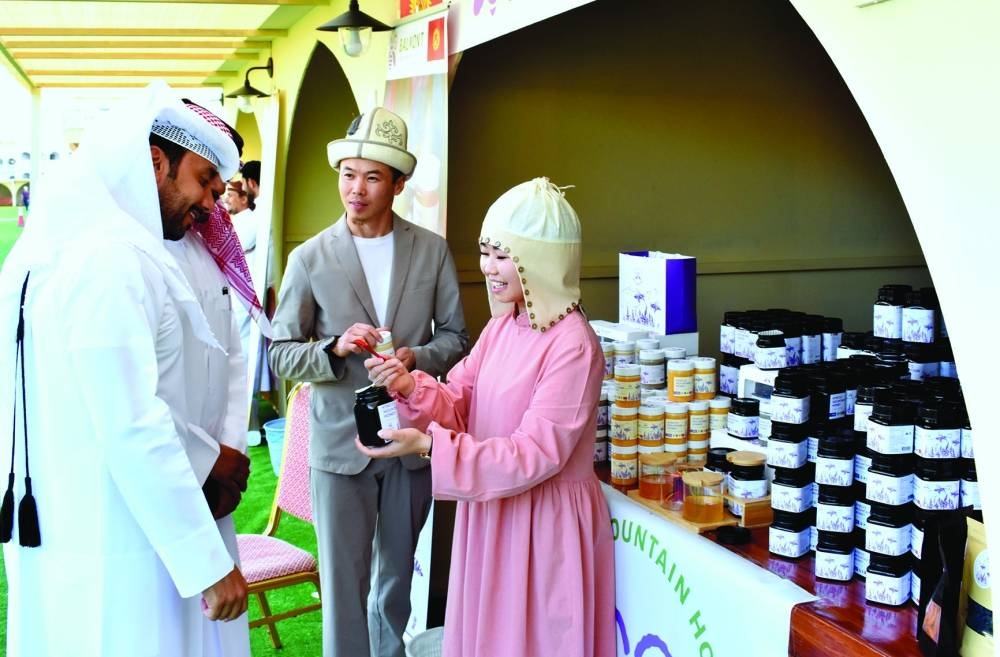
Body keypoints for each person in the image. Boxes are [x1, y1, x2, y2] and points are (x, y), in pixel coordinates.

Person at [0, 81, 248, 657]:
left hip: (106, 515)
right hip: (121, 532)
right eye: (204, 181)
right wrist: (205, 562)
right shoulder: (110, 258)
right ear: (156, 162)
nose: (212, 203)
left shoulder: (76, 245)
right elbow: (132, 422)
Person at [359, 178, 617, 657]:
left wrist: (431, 446)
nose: (487, 268)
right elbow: (460, 398)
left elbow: (536, 453)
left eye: (502, 255)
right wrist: (408, 385)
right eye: (484, 252)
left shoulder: (573, 345)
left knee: (533, 640)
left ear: (538, 261)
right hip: (493, 507)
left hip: (544, 522)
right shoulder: (504, 324)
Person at [268, 107, 469, 657]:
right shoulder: (309, 257)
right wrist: (332, 349)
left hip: (410, 442)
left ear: (399, 184)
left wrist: (415, 357)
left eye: (372, 176)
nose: (355, 189)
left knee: (396, 585)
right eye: (348, 173)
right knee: (343, 586)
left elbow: (457, 337)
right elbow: (281, 354)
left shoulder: (431, 249)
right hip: (339, 445)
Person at [166, 197, 260, 656]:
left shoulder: (205, 247)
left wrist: (231, 452)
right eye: (204, 181)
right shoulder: (130, 258)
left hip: (218, 480)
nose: (211, 203)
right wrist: (206, 459)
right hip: (169, 481)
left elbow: (233, 359)